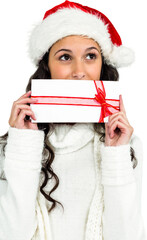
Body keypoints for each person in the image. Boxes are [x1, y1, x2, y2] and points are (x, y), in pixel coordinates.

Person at [0, 1, 146, 239]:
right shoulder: (11, 147)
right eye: (65, 57)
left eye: (90, 56)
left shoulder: (128, 146)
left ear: (102, 65)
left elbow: (128, 235)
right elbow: (11, 234)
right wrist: (23, 144)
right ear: (47, 66)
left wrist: (116, 155)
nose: (79, 71)